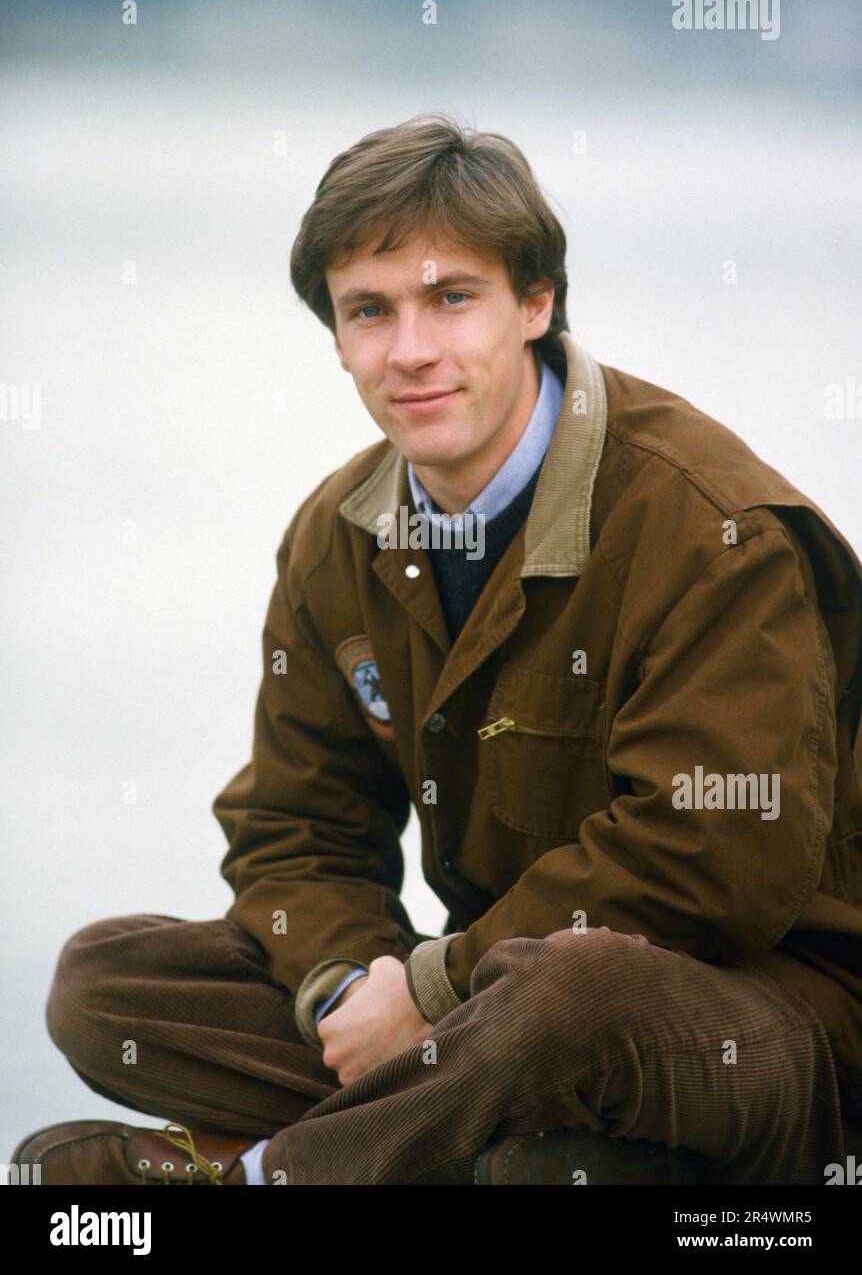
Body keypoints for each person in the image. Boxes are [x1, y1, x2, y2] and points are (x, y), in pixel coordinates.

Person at [16, 113, 862, 1186]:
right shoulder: (339, 534)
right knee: (108, 982)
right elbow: (294, 827)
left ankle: (259, 1174)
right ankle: (468, 1134)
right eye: (369, 310)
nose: (408, 349)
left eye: (450, 297)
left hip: (770, 1027)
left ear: (536, 303)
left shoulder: (712, 529)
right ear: (335, 333)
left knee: (571, 993)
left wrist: (431, 986)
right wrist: (344, 987)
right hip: (488, 1006)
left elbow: (713, 860)